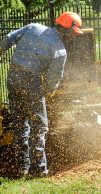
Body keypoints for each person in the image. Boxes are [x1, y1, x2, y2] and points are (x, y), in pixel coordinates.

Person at [0, 12, 83, 177]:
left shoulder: (33, 27)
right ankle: (39, 170)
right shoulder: (59, 50)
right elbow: (54, 78)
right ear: (68, 28)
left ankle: (22, 167)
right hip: (32, 83)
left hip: (13, 77)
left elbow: (8, 39)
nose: (74, 37)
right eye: (74, 33)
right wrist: (48, 92)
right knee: (39, 127)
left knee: (20, 124)